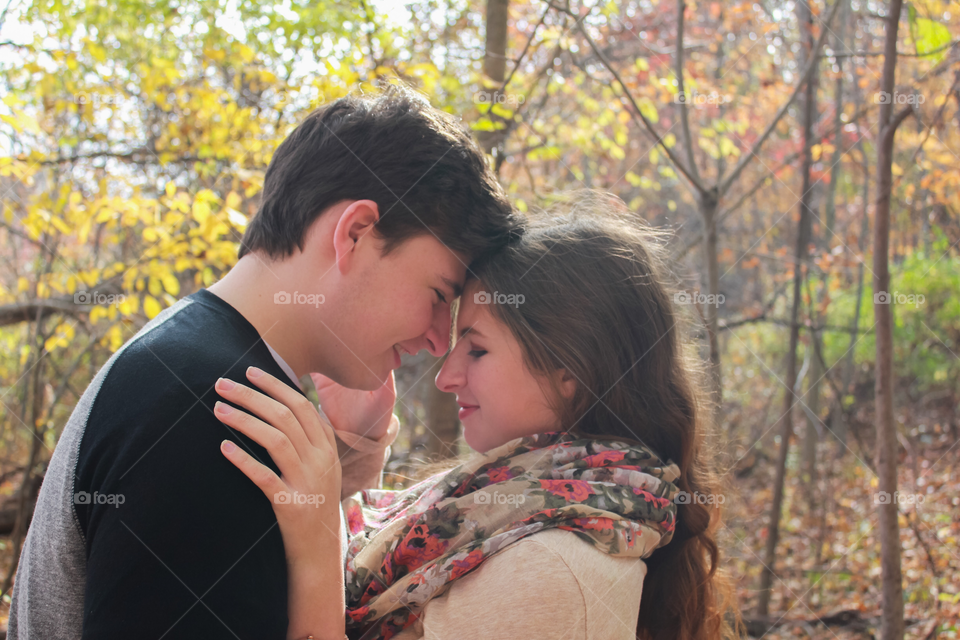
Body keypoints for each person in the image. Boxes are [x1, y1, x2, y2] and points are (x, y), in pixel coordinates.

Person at [8, 85, 523, 639]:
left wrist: (348, 461)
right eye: (439, 293)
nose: (435, 339)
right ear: (355, 234)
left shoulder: (195, 357)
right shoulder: (217, 412)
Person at [215, 195, 739, 640]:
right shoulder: (513, 505)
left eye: (478, 350)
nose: (446, 377)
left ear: (570, 371)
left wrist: (315, 551)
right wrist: (360, 448)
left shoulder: (549, 575)